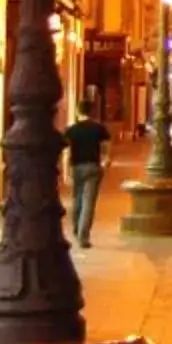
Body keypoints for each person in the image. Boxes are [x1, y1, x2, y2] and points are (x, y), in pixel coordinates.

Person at [63, 98, 110, 250]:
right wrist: (104, 163)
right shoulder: (99, 129)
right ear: (92, 112)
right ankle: (83, 236)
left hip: (77, 167)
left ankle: (76, 229)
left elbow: (67, 152)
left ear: (78, 111)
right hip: (93, 167)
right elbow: (106, 149)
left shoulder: (71, 130)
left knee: (77, 199)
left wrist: (67, 170)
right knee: (89, 202)